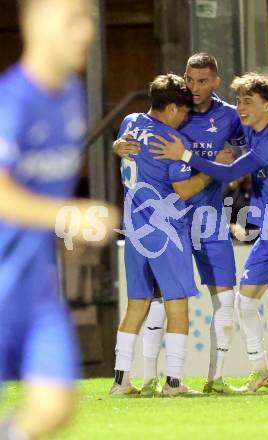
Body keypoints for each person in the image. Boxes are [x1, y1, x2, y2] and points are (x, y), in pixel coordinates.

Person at [149, 72, 268, 392]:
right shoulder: (252, 127)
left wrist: (185, 156)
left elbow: (233, 171)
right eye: (238, 101)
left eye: (248, 101)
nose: (241, 107)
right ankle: (260, 370)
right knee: (245, 302)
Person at [0, 0, 120, 439]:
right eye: (72, 19)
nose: (85, 31)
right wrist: (68, 214)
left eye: (88, 18)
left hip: (36, 292)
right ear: (32, 22)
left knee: (54, 408)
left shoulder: (71, 96)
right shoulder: (11, 101)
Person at [113, 54, 245, 394]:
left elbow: (128, 147)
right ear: (173, 106)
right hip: (169, 225)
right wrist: (208, 168)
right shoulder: (174, 137)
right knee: (174, 304)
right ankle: (169, 381)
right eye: (190, 82)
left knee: (140, 304)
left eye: (203, 81)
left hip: (140, 226)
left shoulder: (130, 121)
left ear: (216, 82)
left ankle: (124, 382)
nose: (194, 90)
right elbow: (184, 188)